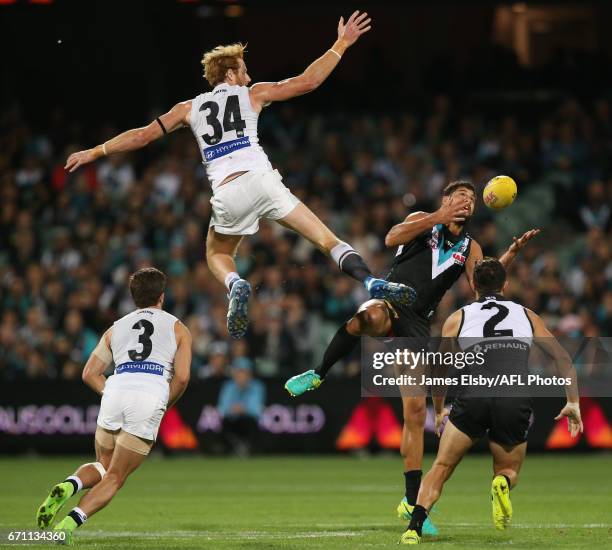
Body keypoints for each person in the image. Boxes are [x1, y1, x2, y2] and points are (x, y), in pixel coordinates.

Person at [63, 10, 416, 340]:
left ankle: (235, 285)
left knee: (216, 255)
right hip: (263, 180)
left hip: (228, 191)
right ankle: (369, 281)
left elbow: (141, 136)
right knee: (327, 241)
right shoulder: (253, 94)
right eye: (244, 70)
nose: (248, 75)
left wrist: (94, 151)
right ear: (230, 74)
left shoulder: (187, 108)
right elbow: (308, 82)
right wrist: (342, 43)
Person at [285, 180, 540, 535]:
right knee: (368, 317)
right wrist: (438, 215)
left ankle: (410, 500)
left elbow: (484, 286)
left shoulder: (470, 247)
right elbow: (391, 238)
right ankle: (319, 371)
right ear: (446, 200)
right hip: (392, 300)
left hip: (418, 324)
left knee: (416, 412)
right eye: (459, 197)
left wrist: (509, 256)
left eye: (470, 199)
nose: (466, 202)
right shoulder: (424, 220)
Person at [400, 258, 583, 544]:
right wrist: (573, 402)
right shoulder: (526, 314)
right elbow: (561, 358)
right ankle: (502, 483)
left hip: (474, 397)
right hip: (514, 397)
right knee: (509, 469)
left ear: (473, 285)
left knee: (442, 467)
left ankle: (414, 527)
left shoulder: (458, 318)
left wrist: (438, 410)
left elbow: (440, 368)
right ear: (505, 285)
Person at [35, 268, 192, 544]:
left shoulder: (115, 327)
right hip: (149, 393)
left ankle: (70, 484)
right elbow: (182, 377)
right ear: (162, 296)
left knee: (103, 466)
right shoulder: (178, 328)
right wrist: (162, 404)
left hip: (116, 389)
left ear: (133, 297)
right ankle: (68, 525)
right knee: (116, 477)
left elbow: (89, 373)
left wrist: (111, 392)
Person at [218, 357, 265, 455]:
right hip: (232, 421)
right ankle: (235, 447)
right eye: (239, 372)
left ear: (249, 374)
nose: (241, 376)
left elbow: (257, 411)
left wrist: (243, 409)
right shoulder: (228, 387)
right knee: (224, 423)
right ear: (234, 374)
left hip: (249, 423)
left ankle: (247, 448)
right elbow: (222, 409)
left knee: (251, 422)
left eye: (244, 372)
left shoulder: (257, 386)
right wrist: (234, 410)